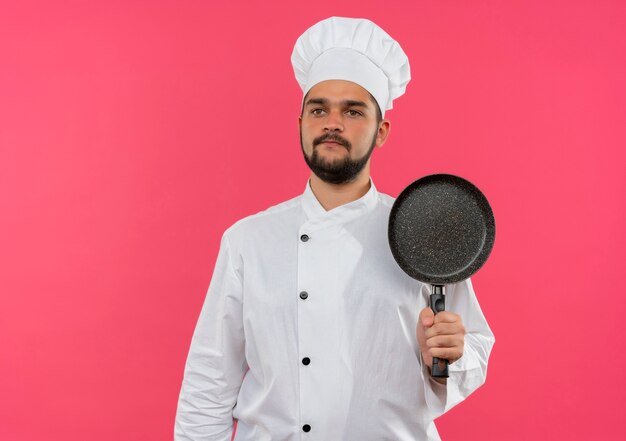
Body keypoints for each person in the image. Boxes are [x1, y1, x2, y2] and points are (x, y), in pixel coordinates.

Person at [175, 16, 494, 441]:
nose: (332, 123)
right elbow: (209, 381)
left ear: (381, 132)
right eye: (319, 109)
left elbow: (472, 348)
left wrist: (450, 354)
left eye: (353, 111)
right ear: (301, 124)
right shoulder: (248, 241)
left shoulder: (422, 230)